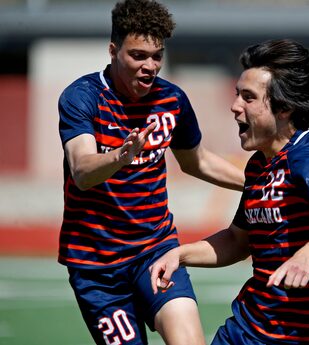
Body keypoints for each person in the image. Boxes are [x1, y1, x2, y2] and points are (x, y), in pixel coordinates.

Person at [150, 38, 309, 345]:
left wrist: (304, 258)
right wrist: (179, 254)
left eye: (248, 98)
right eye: (238, 94)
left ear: (285, 107)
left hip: (303, 337)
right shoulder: (258, 165)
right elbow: (238, 241)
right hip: (245, 331)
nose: (235, 105)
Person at [58, 0, 244, 344]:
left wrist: (257, 183)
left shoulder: (171, 100)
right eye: (138, 55)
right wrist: (120, 157)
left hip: (154, 251)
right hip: (97, 270)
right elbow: (82, 171)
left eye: (156, 56)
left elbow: (197, 162)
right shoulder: (82, 98)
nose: (150, 66)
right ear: (113, 51)